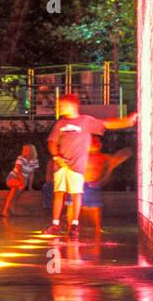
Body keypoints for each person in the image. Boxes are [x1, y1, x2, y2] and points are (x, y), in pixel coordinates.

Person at [45, 94, 137, 239]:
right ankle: (55, 224)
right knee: (59, 193)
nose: (60, 108)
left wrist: (127, 122)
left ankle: (74, 225)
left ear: (72, 105)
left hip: (76, 167)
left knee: (76, 194)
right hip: (61, 166)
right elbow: (52, 142)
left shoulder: (85, 121)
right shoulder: (60, 124)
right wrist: (57, 156)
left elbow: (106, 124)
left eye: (62, 105)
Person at [80, 136, 132, 236]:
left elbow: (116, 160)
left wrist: (104, 178)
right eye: (93, 142)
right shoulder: (83, 156)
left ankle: (97, 228)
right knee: (80, 206)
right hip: (83, 184)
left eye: (97, 142)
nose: (96, 143)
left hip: (94, 185)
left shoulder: (103, 157)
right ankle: (74, 226)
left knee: (95, 207)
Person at [2, 144, 40, 218]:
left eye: (26, 150)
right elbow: (18, 171)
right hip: (12, 177)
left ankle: (5, 210)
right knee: (22, 184)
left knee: (14, 189)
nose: (24, 151)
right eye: (23, 149)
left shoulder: (35, 161)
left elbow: (32, 174)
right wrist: (23, 180)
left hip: (21, 181)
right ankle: (12, 204)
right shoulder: (20, 158)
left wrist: (30, 186)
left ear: (31, 151)